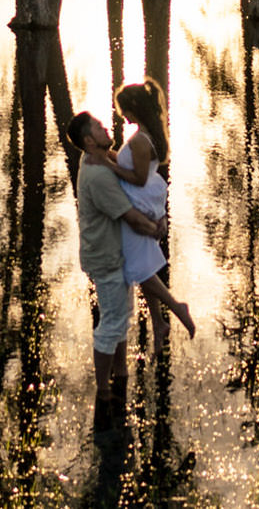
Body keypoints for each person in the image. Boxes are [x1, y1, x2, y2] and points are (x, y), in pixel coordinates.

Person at [68, 110, 165, 435]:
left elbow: (121, 169)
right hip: (105, 258)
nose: (105, 126)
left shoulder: (98, 161)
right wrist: (155, 228)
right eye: (98, 126)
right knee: (110, 324)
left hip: (112, 254)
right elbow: (131, 218)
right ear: (88, 140)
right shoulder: (97, 176)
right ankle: (104, 393)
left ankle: (121, 373)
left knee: (121, 317)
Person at [99, 79, 195, 344]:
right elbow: (130, 164)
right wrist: (109, 155)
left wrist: (109, 167)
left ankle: (176, 308)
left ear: (133, 107)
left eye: (123, 110)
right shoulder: (144, 135)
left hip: (137, 201)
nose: (122, 115)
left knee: (135, 266)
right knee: (142, 264)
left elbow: (138, 178)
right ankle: (157, 321)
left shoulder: (141, 140)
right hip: (143, 199)